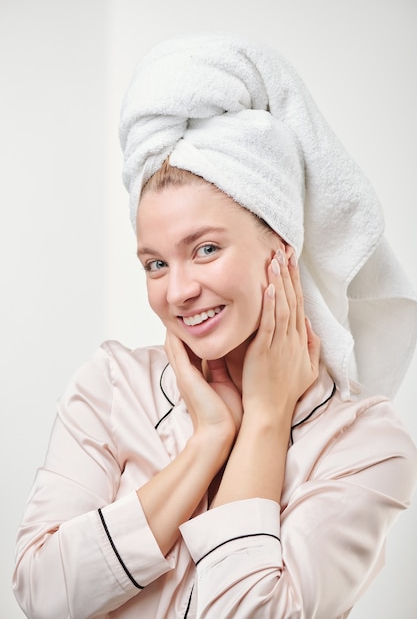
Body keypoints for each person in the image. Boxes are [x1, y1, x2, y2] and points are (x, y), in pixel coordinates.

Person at [13, 33, 417, 619]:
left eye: (204, 249)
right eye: (155, 262)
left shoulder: (362, 445)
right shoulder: (110, 385)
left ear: (280, 248)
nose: (177, 291)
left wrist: (267, 421)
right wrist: (207, 440)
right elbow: (40, 592)